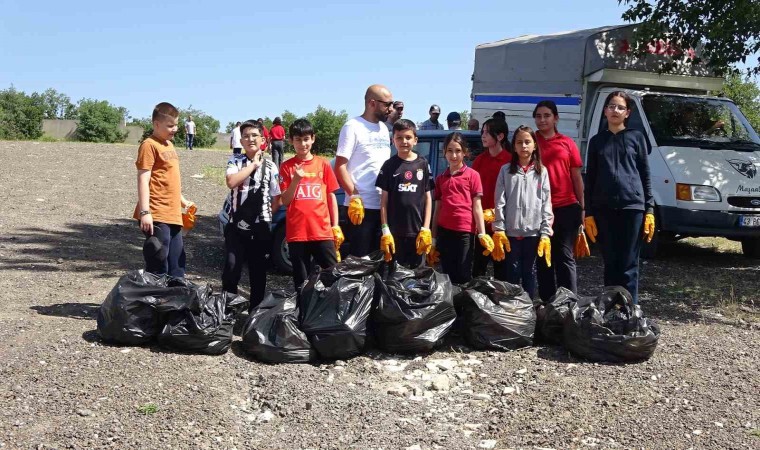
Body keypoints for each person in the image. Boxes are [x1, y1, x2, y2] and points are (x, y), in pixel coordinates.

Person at [584, 91, 654, 305]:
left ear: (627, 113)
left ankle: (629, 309)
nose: (615, 111)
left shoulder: (637, 137)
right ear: (605, 111)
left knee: (629, 263)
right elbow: (591, 177)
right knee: (610, 261)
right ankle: (611, 306)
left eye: (620, 107)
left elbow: (645, 174)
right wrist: (589, 212)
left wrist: (649, 209)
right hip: (604, 208)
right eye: (611, 106)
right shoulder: (597, 141)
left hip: (632, 208)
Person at [221, 120, 281, 311]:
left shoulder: (271, 167)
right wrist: (253, 165)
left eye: (254, 135)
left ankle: (254, 315)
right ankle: (228, 311)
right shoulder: (235, 160)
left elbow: (276, 198)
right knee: (231, 268)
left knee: (258, 272)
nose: (250, 139)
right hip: (236, 224)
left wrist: (265, 216)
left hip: (260, 226)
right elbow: (231, 182)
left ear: (263, 139)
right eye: (245, 136)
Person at [280, 118, 343, 291]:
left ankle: (332, 314)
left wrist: (335, 226)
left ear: (313, 138)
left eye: (306, 139)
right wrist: (296, 180)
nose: (302, 144)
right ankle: (304, 315)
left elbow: (331, 196)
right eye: (298, 140)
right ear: (291, 141)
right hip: (297, 233)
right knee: (301, 282)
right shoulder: (286, 167)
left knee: (333, 276)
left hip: (322, 232)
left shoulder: (323, 164)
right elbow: (285, 200)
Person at [491, 126, 553, 298]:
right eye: (519, 142)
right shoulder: (505, 171)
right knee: (512, 272)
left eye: (527, 142)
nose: (524, 146)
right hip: (510, 233)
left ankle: (529, 309)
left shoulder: (542, 171)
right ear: (514, 146)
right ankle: (513, 310)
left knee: (530, 273)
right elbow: (499, 201)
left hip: (533, 234)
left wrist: (546, 232)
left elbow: (546, 203)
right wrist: (499, 228)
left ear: (534, 145)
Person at [134, 102, 194, 278]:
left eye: (176, 125)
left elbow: (167, 179)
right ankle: (156, 301)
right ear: (156, 124)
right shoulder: (149, 145)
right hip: (156, 212)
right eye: (170, 125)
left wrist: (183, 201)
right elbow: (143, 180)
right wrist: (145, 212)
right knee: (158, 259)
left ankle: (175, 300)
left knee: (177, 264)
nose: (174, 129)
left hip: (173, 212)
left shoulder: (169, 145)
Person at [533, 100, 585, 302]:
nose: (542, 120)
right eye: (538, 116)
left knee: (565, 256)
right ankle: (547, 303)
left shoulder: (567, 143)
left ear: (556, 118)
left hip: (566, 206)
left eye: (546, 115)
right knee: (543, 258)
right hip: (538, 209)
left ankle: (569, 303)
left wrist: (582, 206)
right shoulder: (530, 141)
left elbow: (576, 177)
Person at [335, 84, 394, 257]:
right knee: (360, 260)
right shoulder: (352, 127)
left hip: (383, 205)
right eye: (387, 104)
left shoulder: (384, 129)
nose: (390, 109)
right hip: (361, 208)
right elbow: (340, 166)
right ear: (372, 103)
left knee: (381, 259)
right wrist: (354, 195)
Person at [428, 133, 494, 284]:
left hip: (465, 231)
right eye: (450, 151)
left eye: (458, 150)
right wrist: (433, 236)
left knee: (463, 273)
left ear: (465, 152)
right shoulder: (440, 178)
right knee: (447, 273)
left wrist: (482, 233)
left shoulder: (473, 175)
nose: (454, 155)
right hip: (445, 231)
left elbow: (477, 206)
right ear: (444, 152)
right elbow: (437, 208)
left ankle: (462, 306)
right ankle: (450, 305)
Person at [376, 119, 434, 267]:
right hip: (395, 234)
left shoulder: (423, 164)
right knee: (394, 277)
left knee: (416, 279)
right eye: (399, 138)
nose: (404, 141)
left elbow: (428, 198)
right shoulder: (389, 165)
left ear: (415, 140)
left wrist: (426, 228)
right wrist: (385, 230)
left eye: (408, 137)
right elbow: (383, 202)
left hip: (417, 233)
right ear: (393, 140)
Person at [471, 118, 511, 279]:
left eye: (487, 132)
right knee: (477, 271)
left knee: (502, 272)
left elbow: (514, 195)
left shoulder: (510, 161)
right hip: (481, 227)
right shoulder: (479, 160)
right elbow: (472, 193)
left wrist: (498, 214)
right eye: (483, 131)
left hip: (503, 226)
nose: (483, 135)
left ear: (500, 136)